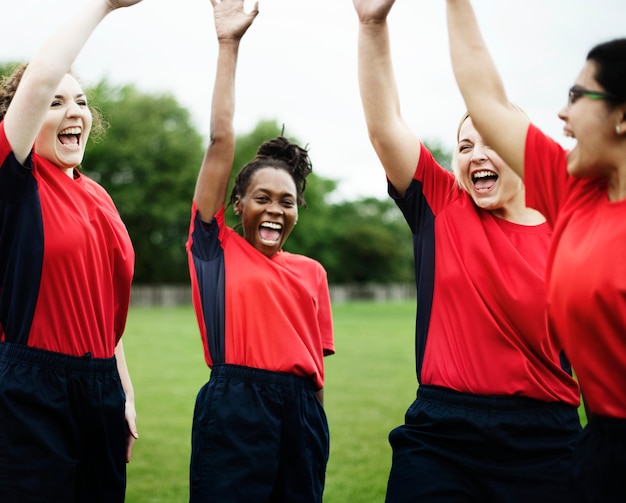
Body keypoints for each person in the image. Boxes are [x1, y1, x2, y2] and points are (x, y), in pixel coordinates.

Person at [352, 1, 582, 501]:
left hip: (545, 440)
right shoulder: (440, 203)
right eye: (463, 145)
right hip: (442, 435)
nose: (475, 153)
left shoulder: (568, 224)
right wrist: (372, 24)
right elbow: (383, 124)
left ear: (522, 148)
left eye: (489, 140)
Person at [445, 1, 626, 501]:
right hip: (600, 445)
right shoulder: (574, 193)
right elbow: (485, 99)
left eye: (577, 96)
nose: (562, 114)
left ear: (622, 115)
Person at [185, 1, 334, 501]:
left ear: (298, 210)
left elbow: (316, 374)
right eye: (262, 199)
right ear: (237, 205)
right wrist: (229, 45)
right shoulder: (214, 249)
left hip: (302, 415)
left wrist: (311, 423)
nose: (274, 210)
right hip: (234, 408)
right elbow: (221, 140)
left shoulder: (312, 272)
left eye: (286, 202)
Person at [0, 0, 141, 501]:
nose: (74, 112)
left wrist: (121, 390)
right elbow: (38, 78)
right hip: (30, 387)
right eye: (56, 103)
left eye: (80, 101)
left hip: (99, 384)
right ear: (27, 119)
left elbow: (105, 310)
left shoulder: (98, 195)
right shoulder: (14, 182)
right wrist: (105, 4)